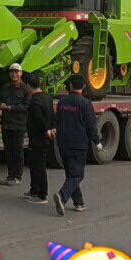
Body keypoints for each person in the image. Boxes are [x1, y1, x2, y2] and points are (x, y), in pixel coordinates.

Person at [53, 74, 99, 215]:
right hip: (78, 144)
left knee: (71, 174)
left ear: (70, 86)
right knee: (77, 175)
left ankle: (79, 203)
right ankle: (62, 196)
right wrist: (97, 141)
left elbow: (57, 121)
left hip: (63, 143)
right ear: (83, 86)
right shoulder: (85, 103)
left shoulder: (62, 102)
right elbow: (91, 126)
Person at [23, 73, 55, 204]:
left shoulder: (34, 101)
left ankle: (42, 194)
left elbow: (38, 120)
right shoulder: (47, 97)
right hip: (44, 137)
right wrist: (51, 128)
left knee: (38, 166)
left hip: (38, 138)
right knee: (35, 164)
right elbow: (52, 115)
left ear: (28, 85)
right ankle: (34, 190)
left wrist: (46, 130)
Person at [0, 62, 28, 186]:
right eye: (12, 72)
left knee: (17, 151)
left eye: (16, 72)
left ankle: (17, 176)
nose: (14, 74)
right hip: (6, 124)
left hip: (19, 124)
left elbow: (26, 106)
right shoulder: (5, 87)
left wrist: (11, 107)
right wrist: (1, 105)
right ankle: (10, 176)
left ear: (21, 73)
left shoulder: (25, 89)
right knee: (8, 151)